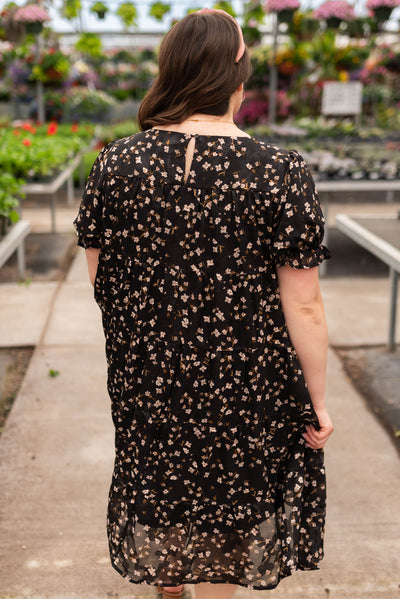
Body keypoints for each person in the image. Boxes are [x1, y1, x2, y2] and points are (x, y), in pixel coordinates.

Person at [73, 8, 334, 599]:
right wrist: (316, 401)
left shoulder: (117, 163)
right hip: (247, 380)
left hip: (151, 374)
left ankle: (169, 578)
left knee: (162, 484)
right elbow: (306, 306)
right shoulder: (279, 172)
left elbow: (103, 282)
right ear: (235, 77)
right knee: (229, 514)